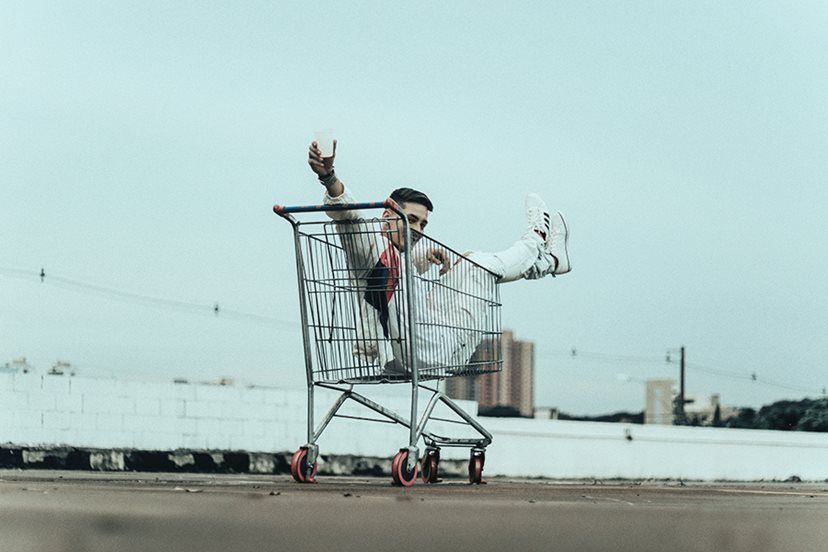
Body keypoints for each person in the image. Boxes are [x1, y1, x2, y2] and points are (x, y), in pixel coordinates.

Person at [307, 139, 571, 375]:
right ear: (386, 215)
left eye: (423, 224)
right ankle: (536, 237)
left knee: (467, 259)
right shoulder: (367, 246)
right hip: (429, 353)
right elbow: (348, 215)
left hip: (418, 345)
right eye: (411, 220)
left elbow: (402, 269)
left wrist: (424, 255)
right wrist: (329, 177)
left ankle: (549, 262)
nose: (418, 230)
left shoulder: (395, 257)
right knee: (479, 264)